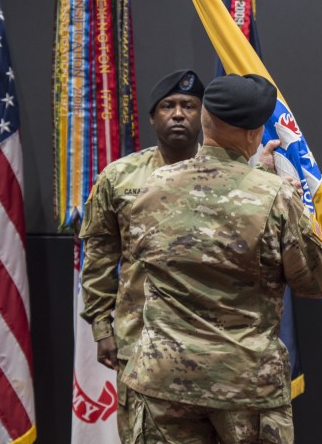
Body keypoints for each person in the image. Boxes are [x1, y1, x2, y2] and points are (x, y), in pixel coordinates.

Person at [121, 74, 322, 444]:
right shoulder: (274, 196)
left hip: (164, 379)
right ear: (254, 134)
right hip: (242, 383)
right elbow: (318, 280)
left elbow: (150, 251)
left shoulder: (153, 185)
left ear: (204, 120)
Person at [79, 69, 205, 443]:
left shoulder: (227, 175)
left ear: (204, 116)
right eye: (168, 106)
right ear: (152, 117)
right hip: (141, 338)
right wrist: (103, 328)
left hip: (210, 339)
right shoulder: (118, 177)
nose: (179, 114)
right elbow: (100, 257)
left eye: (189, 106)